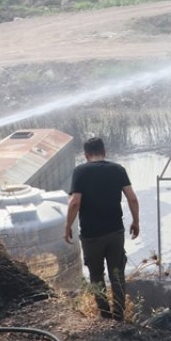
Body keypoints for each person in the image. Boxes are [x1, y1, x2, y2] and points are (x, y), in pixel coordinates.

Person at [65, 137, 139, 321]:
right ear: (104, 152)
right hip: (115, 231)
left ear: (86, 155)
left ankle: (105, 317)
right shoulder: (118, 169)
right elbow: (132, 198)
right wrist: (135, 221)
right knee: (117, 274)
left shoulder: (80, 171)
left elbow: (75, 202)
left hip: (91, 235)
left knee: (96, 275)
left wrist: (67, 226)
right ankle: (119, 316)